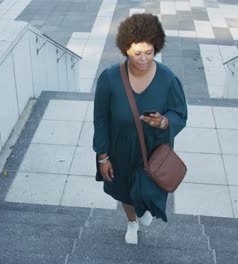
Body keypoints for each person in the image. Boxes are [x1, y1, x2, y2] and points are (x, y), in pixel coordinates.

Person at [93, 13, 188, 245]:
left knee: (148, 192)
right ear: (126, 49)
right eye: (137, 53)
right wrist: (103, 157)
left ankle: (143, 210)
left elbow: (180, 114)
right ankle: (131, 222)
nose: (144, 59)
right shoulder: (110, 78)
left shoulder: (168, 79)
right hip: (120, 149)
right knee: (125, 190)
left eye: (149, 52)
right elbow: (101, 119)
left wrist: (164, 122)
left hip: (153, 148)